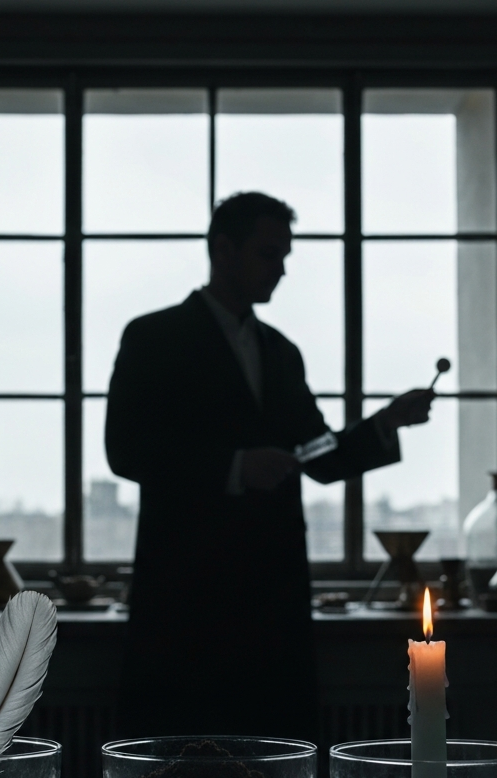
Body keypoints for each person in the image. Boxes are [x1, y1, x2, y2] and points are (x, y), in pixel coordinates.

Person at [106, 192, 434, 740]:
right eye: (268, 254)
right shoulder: (153, 337)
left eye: (285, 255)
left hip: (272, 607)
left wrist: (385, 423)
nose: (281, 269)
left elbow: (318, 457)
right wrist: (236, 467)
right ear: (222, 249)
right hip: (187, 604)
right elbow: (125, 450)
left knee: (275, 769)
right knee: (180, 775)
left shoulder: (281, 351)